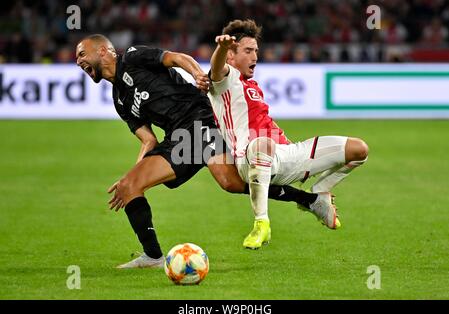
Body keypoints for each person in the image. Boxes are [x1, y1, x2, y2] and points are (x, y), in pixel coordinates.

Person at [75, 34, 322, 267]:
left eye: (82, 53)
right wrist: (133, 175)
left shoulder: (132, 57)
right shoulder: (119, 99)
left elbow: (176, 57)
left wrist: (197, 75)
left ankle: (152, 257)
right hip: (180, 136)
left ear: (103, 50)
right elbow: (148, 140)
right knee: (231, 182)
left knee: (228, 182)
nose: (79, 61)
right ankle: (310, 200)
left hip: (198, 119)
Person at [207, 19, 369, 249]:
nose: (255, 57)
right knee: (262, 144)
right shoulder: (226, 80)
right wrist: (222, 48)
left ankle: (320, 193)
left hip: (286, 155)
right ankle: (261, 223)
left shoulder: (252, 86)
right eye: (248, 51)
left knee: (359, 150)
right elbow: (216, 68)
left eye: (256, 51)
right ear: (231, 56)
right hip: (249, 159)